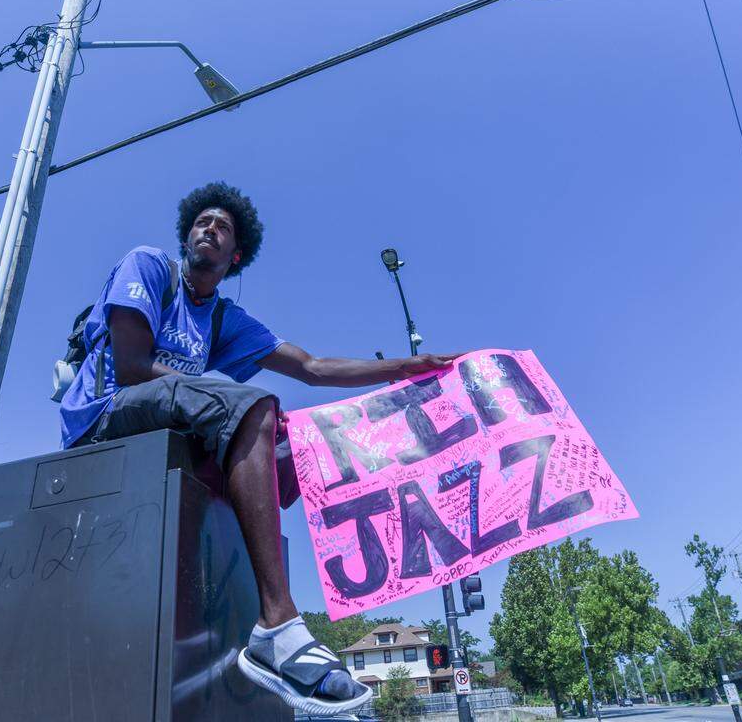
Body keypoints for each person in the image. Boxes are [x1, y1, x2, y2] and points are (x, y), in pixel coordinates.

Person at [59, 181, 457, 715]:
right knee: (250, 406)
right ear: (187, 234)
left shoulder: (221, 319)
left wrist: (400, 370)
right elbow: (131, 367)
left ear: (235, 255)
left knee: (296, 437)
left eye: (222, 227)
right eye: (202, 221)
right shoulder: (150, 267)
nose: (210, 229)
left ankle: (282, 598)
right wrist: (235, 403)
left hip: (163, 437)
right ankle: (277, 623)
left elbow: (311, 368)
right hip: (104, 417)